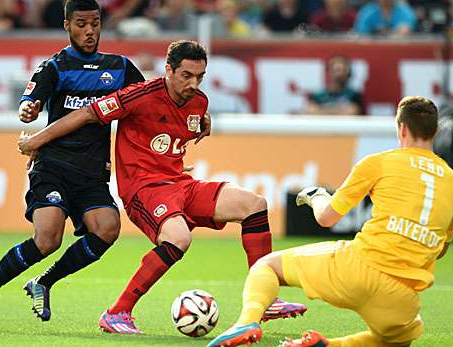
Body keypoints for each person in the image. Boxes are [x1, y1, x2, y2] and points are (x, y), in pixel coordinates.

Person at [18, 39, 307, 335]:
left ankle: (266, 298)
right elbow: (87, 114)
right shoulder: (140, 95)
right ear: (168, 70)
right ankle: (117, 313)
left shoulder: (199, 102)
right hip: (144, 189)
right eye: (186, 76)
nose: (194, 83)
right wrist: (36, 141)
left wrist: (200, 126)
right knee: (178, 238)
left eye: (199, 77)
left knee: (254, 204)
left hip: (180, 183)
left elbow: (184, 127)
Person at [208, 96, 453, 347]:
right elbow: (440, 250)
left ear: (402, 127)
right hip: (401, 295)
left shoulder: (380, 163)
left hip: (358, 268)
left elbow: (326, 217)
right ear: (436, 131)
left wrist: (317, 196)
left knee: (266, 267)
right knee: (396, 340)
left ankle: (246, 322)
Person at [0, 0, 149, 330]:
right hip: (53, 166)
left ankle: (44, 282)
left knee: (107, 228)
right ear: (67, 25)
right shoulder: (55, 66)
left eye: (94, 23)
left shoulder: (120, 67)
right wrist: (28, 110)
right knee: (48, 239)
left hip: (91, 172)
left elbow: (147, 102)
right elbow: (30, 100)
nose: (89, 31)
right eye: (81, 24)